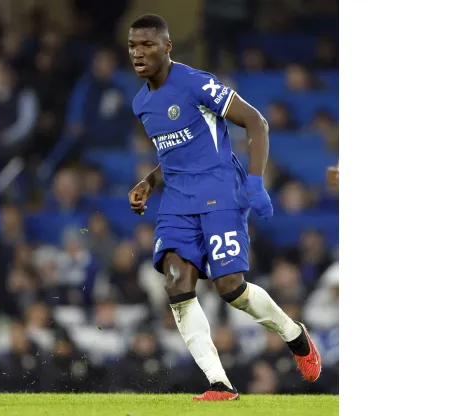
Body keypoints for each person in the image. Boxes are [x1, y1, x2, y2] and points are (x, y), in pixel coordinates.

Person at [126, 14, 321, 401]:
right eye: (133, 46)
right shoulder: (141, 103)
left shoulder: (197, 83)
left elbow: (256, 122)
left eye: (147, 44)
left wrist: (255, 181)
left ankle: (295, 336)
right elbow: (176, 152)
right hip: (178, 200)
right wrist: (149, 181)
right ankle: (219, 383)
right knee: (176, 282)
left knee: (230, 288)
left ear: (167, 47)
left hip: (219, 191)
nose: (138, 53)